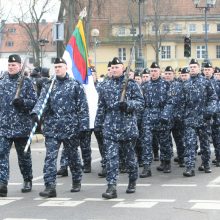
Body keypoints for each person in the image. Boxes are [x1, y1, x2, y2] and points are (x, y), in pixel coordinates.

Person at [31, 57, 89, 197]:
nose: (57, 69)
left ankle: (76, 180)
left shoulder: (75, 85)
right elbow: (42, 102)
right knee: (50, 157)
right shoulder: (49, 85)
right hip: (52, 127)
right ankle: (50, 187)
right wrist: (36, 113)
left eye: (60, 66)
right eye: (55, 67)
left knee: (72, 156)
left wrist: (83, 127)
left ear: (66, 68)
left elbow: (83, 108)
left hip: (70, 127)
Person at [95, 57, 144, 199]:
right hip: (110, 128)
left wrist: (128, 105)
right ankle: (111, 187)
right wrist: (98, 124)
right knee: (111, 158)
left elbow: (141, 103)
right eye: (113, 67)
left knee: (130, 158)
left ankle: (132, 180)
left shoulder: (131, 84)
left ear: (123, 68)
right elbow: (101, 107)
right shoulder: (105, 86)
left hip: (127, 127)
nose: (115, 70)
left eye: (117, 67)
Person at [0, 54, 37, 197]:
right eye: (9, 65)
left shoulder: (26, 82)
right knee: (2, 155)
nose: (11, 67)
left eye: (14, 65)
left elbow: (34, 102)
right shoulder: (2, 82)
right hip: (4, 126)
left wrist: (23, 103)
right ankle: (2, 183)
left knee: (24, 156)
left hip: (21, 127)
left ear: (20, 66)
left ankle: (28, 179)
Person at [180, 59, 217, 177]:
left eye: (194, 67)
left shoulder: (206, 82)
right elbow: (181, 102)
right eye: (191, 67)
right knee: (190, 144)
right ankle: (189, 167)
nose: (192, 69)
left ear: (199, 68)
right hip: (189, 119)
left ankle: (206, 164)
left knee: (205, 144)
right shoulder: (185, 84)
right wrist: (181, 115)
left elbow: (213, 98)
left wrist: (209, 111)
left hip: (203, 119)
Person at [140, 62, 173, 178]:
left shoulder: (166, 85)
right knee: (146, 142)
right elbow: (141, 103)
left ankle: (166, 162)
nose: (153, 73)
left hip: (161, 115)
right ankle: (146, 167)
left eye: (155, 71)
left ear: (160, 72)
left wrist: (166, 115)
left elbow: (170, 102)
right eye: (152, 71)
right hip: (148, 116)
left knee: (164, 141)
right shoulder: (145, 86)